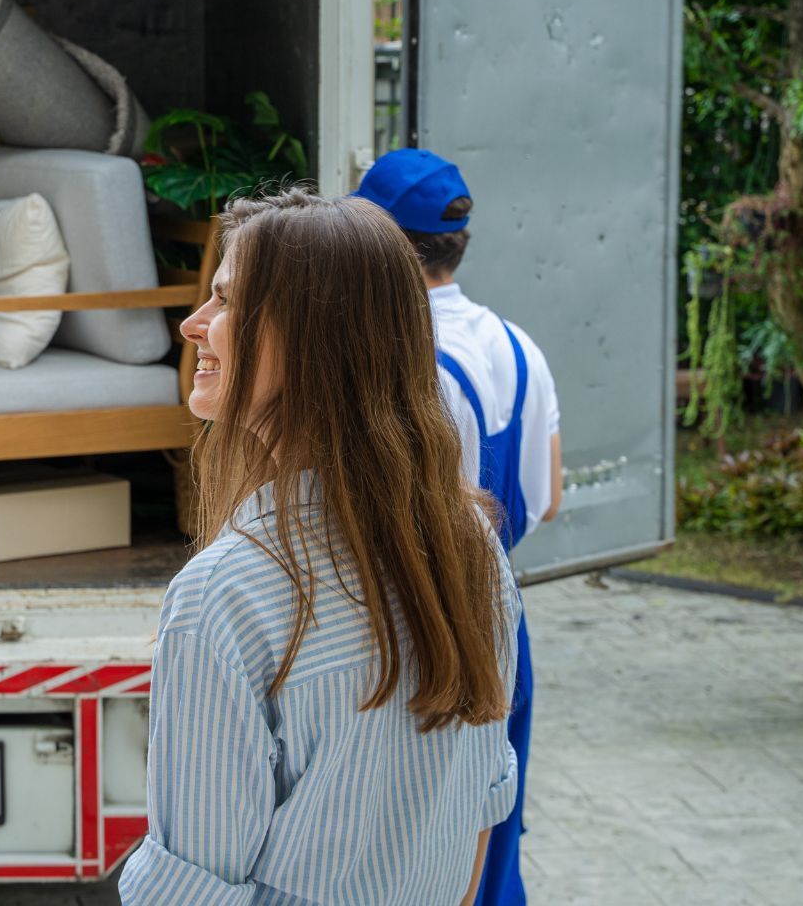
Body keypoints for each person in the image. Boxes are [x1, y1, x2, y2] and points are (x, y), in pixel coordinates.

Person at [120, 189, 519, 905]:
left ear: (308, 337)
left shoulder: (226, 596)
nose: (193, 325)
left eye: (226, 301)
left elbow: (192, 894)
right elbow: (477, 825)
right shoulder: (476, 551)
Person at [355, 148, 563, 906]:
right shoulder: (520, 346)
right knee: (495, 832)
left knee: (420, 853)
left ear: (381, 240)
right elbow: (548, 497)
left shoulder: (399, 364)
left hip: (421, 631)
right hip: (506, 627)